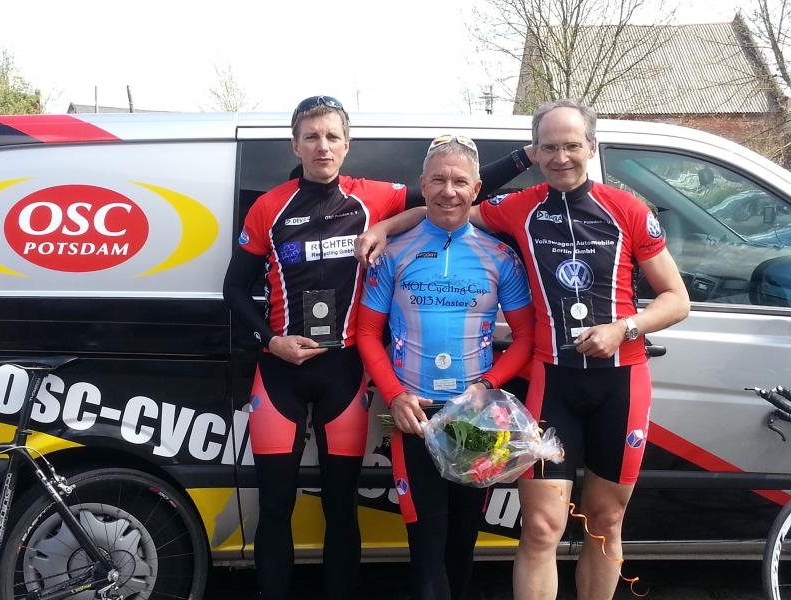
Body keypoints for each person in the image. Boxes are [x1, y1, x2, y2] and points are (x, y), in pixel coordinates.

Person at [354, 99, 690, 600]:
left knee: (606, 520)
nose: (561, 157)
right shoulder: (519, 206)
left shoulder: (629, 209)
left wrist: (625, 328)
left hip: (621, 380)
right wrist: (384, 227)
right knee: (539, 527)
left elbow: (677, 299)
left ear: (591, 147)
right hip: (552, 383)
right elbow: (448, 209)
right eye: (549, 147)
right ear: (535, 152)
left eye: (571, 145)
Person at [222, 95, 533, 600]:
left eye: (332, 136)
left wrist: (527, 156)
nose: (322, 146)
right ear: (295, 144)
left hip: (346, 371)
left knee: (340, 505)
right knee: (274, 506)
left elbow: (448, 196)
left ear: (347, 144)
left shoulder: (375, 196)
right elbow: (234, 289)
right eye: (311, 136)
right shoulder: (268, 206)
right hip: (280, 370)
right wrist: (271, 340)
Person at [356, 135, 535, 600]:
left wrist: (487, 386)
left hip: (474, 418)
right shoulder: (393, 252)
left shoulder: (500, 257)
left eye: (459, 181)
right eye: (438, 180)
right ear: (423, 184)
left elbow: (526, 338)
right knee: (426, 545)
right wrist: (395, 395)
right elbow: (366, 333)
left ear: (476, 188)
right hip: (414, 417)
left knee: (462, 542)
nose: (448, 191)